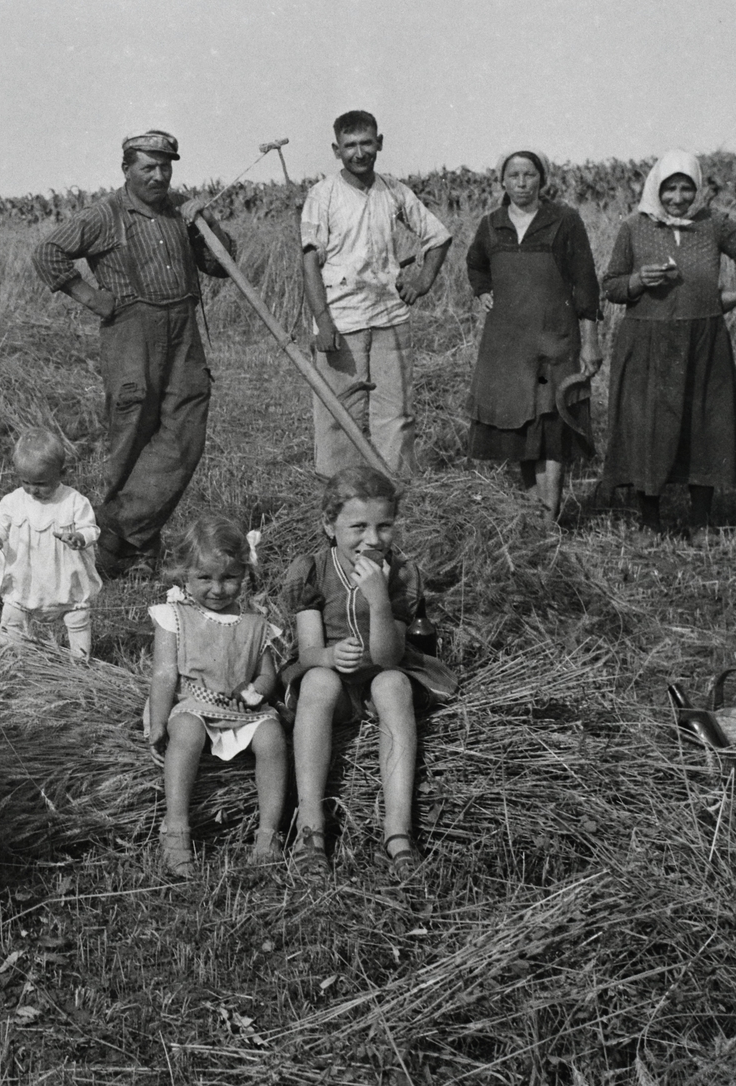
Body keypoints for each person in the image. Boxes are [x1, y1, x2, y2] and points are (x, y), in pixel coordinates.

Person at [32, 130, 236, 578]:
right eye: (148, 167)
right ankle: (137, 548)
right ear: (126, 169)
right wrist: (91, 297)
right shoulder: (104, 215)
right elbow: (48, 253)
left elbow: (222, 265)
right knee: (132, 434)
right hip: (130, 333)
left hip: (183, 330)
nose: (158, 176)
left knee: (186, 434)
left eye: (165, 167)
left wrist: (208, 224)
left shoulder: (180, 210)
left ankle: (110, 534)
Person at [280, 465, 457, 880]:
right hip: (334, 683)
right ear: (329, 525)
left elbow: (389, 655)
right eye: (358, 526)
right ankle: (311, 829)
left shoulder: (400, 573)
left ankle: (397, 834)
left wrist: (378, 599)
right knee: (319, 681)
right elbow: (307, 651)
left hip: (383, 673)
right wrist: (328, 656)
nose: (372, 539)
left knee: (392, 683)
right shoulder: (313, 569)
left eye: (384, 526)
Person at [601, 151, 736, 537]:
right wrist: (636, 281)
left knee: (705, 424)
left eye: (686, 188)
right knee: (648, 425)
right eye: (669, 188)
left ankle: (701, 522)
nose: (678, 197)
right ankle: (649, 521)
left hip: (703, 340)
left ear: (697, 189)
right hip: (647, 339)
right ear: (655, 189)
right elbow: (611, 286)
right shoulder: (634, 227)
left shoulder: (715, 224)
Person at [300, 110, 453, 478]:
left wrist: (422, 281)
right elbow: (309, 263)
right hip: (341, 320)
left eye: (366, 143)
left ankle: (393, 492)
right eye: (350, 145)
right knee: (338, 414)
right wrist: (322, 322)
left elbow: (438, 237)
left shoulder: (395, 191)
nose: (359, 152)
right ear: (336, 150)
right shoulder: (322, 195)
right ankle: (338, 495)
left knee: (395, 414)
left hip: (390, 318)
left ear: (379, 143)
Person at [143, 515, 288, 878]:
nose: (218, 589)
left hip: (242, 710)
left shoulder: (256, 623)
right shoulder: (174, 616)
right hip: (194, 702)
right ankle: (175, 829)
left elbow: (267, 671)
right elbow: (164, 674)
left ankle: (268, 835)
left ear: (244, 574)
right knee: (188, 731)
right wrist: (159, 720)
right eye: (204, 578)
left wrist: (258, 691)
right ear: (184, 574)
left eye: (229, 578)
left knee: (272, 737)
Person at [465, 149, 602, 517]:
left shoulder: (564, 221)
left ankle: (549, 519)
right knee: (518, 429)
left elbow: (585, 284)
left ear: (542, 179)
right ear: (503, 181)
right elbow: (476, 263)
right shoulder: (491, 224)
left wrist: (590, 342)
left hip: (555, 339)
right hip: (507, 343)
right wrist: (482, 291)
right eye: (514, 176)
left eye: (529, 175)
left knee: (552, 427)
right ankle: (534, 518)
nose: (522, 183)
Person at [0, 427, 102, 659]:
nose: (32, 489)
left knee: (76, 615)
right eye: (25, 481)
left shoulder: (73, 501)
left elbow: (91, 528)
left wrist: (80, 537)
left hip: (64, 576)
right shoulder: (14, 501)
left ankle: (80, 659)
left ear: (62, 473)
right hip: (26, 574)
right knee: (14, 613)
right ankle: (9, 655)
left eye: (41, 483)